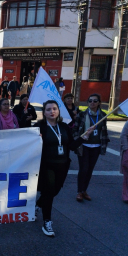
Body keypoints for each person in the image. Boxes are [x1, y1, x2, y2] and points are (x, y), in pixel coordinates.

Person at [34, 100, 95, 237]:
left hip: (63, 165)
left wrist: (84, 136)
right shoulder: (39, 127)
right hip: (46, 165)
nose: (52, 111)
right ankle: (47, 222)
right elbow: (30, 145)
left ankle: (38, 205)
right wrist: (36, 139)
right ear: (44, 112)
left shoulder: (64, 126)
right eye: (48, 109)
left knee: (55, 191)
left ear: (58, 111)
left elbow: (71, 146)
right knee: (49, 192)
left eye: (54, 109)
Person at [73, 94, 109, 202]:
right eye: (90, 101)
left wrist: (104, 143)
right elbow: (75, 129)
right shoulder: (82, 114)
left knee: (89, 170)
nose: (92, 103)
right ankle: (79, 192)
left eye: (95, 101)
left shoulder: (103, 115)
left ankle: (84, 190)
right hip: (84, 146)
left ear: (99, 103)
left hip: (96, 146)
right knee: (83, 169)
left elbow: (104, 131)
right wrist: (78, 140)